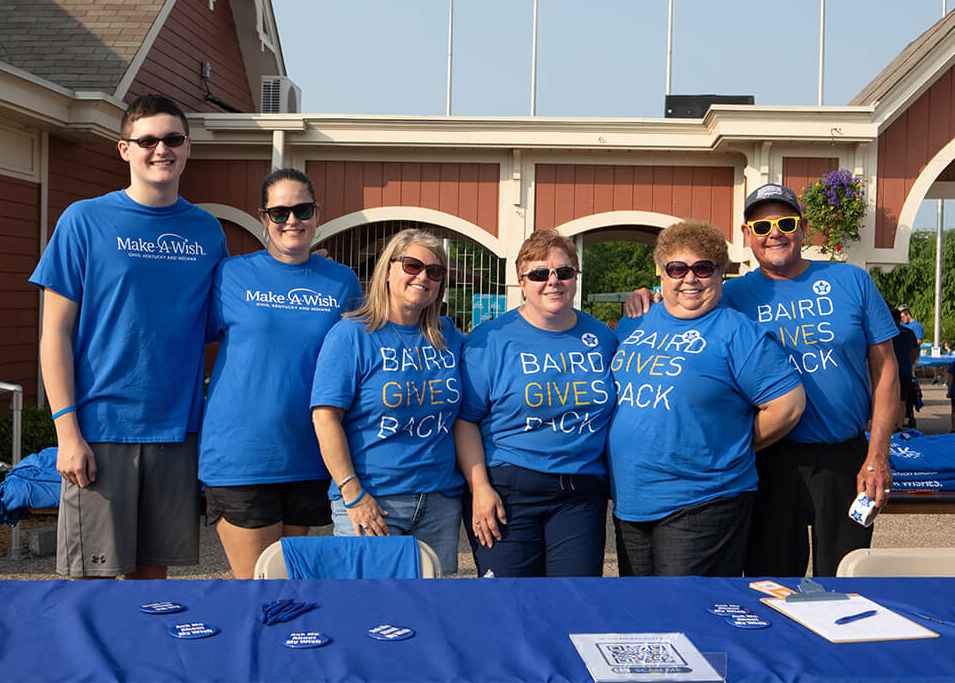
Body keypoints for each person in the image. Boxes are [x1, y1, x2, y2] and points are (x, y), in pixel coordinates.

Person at [626, 183, 898, 577]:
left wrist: (877, 456)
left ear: (804, 228)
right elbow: (681, 291)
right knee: (769, 582)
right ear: (746, 234)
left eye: (786, 222)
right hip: (770, 457)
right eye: (762, 224)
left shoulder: (851, 281)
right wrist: (644, 296)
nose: (775, 232)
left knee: (843, 580)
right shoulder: (730, 293)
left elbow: (886, 369)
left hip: (845, 455)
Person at [30, 94, 228, 578]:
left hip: (176, 430)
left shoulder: (206, 232)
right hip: (100, 431)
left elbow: (227, 332)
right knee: (92, 581)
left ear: (188, 148)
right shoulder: (84, 219)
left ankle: (142, 658)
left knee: (150, 581)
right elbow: (54, 333)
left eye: (173, 139)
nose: (161, 149)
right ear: (125, 149)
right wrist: (67, 432)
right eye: (148, 140)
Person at [609, 221, 805, 577]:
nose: (690, 279)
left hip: (702, 500)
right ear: (662, 273)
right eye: (677, 268)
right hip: (632, 501)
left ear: (719, 274)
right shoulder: (636, 323)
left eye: (703, 268)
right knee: (639, 614)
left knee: (688, 616)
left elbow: (787, 405)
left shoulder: (738, 333)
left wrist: (730, 445)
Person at [198, 168, 362, 578]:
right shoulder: (231, 274)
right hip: (241, 455)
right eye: (280, 212)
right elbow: (187, 340)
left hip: (308, 454)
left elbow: (362, 356)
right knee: (260, 586)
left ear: (317, 214)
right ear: (263, 216)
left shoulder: (341, 281)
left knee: (289, 584)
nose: (292, 220)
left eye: (302, 209)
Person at [455, 229, 616, 577]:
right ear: (522, 282)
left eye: (564, 272)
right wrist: (480, 488)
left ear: (576, 277)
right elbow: (466, 419)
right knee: (509, 605)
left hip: (580, 492)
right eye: (540, 274)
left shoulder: (603, 337)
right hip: (508, 490)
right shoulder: (491, 339)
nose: (553, 282)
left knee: (574, 602)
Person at [311, 229, 465, 574]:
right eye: (412, 265)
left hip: (439, 500)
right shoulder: (352, 335)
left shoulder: (449, 336)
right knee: (370, 612)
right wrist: (353, 494)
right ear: (388, 269)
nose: (423, 276)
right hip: (373, 499)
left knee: (431, 611)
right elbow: (325, 419)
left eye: (435, 271)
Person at [890, 307, 919, 432]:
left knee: (888, 398)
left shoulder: (887, 333)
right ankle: (900, 425)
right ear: (900, 318)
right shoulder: (909, 332)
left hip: (890, 370)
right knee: (902, 399)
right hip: (905, 370)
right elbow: (914, 352)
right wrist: (909, 363)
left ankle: (889, 425)